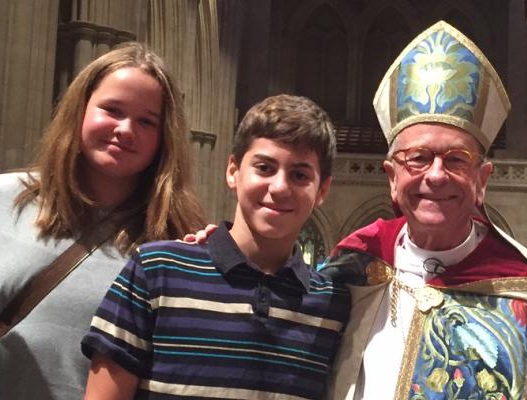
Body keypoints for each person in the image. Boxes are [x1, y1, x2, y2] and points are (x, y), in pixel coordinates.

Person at [322, 20, 527, 400]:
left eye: (456, 159)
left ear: (482, 180)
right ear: (391, 177)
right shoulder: (348, 274)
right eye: (418, 157)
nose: (436, 175)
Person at [0, 42, 205, 399]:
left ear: (164, 138)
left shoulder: (175, 240)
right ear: (80, 110)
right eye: (112, 110)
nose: (125, 129)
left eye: (146, 121)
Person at [80, 94, 349, 399]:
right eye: (264, 167)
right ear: (233, 171)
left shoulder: (332, 305)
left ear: (322, 190)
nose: (279, 187)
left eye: (299, 175)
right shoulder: (156, 272)